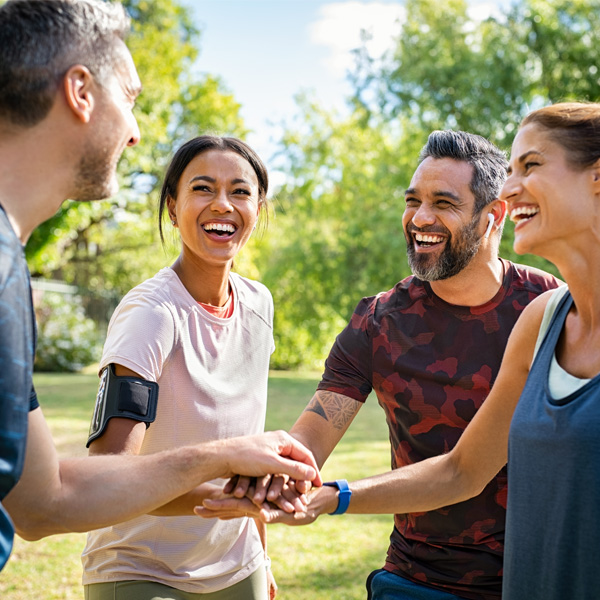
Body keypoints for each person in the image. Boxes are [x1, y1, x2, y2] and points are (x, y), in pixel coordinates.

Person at [0, 0, 321, 574]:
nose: (135, 132)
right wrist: (224, 463)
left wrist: (251, 528)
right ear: (79, 91)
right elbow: (82, 486)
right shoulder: (141, 308)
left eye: (241, 191)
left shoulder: (10, 272)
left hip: (236, 565)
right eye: (131, 97)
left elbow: (41, 501)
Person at [198, 130, 563, 600]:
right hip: (418, 579)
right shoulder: (378, 323)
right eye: (413, 201)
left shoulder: (552, 308)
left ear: (493, 216)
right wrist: (268, 479)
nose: (420, 218)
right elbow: (311, 438)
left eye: (444, 203)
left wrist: (337, 496)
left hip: (540, 576)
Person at [81, 135, 288, 600]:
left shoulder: (258, 304)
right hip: (141, 570)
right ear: (172, 208)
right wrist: (238, 499)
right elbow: (111, 475)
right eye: (202, 188)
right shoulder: (150, 314)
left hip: (238, 567)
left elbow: (247, 439)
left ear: (258, 208)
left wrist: (259, 552)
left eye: (240, 191)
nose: (223, 205)